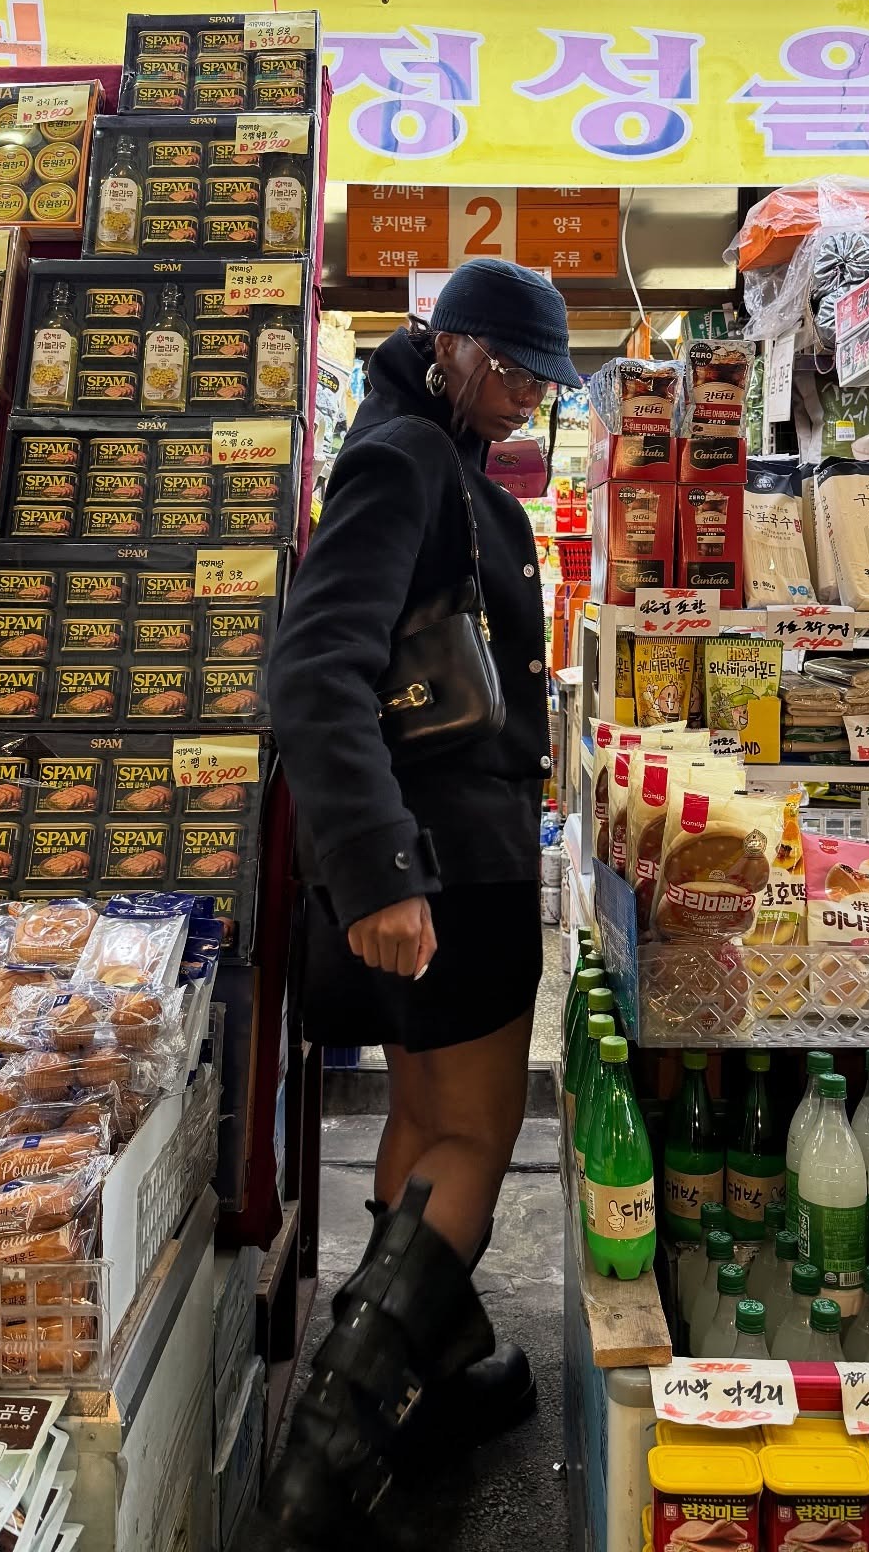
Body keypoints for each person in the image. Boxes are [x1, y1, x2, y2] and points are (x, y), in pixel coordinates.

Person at [263, 258, 579, 1546]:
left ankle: (437, 1382)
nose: (520, 397)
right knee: (474, 1142)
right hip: (448, 872)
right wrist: (379, 872)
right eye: (504, 366)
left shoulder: (438, 458)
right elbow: (315, 666)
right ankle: (318, 1480)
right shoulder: (403, 459)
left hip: (438, 865)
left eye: (538, 381)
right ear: (444, 345)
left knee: (418, 1119)